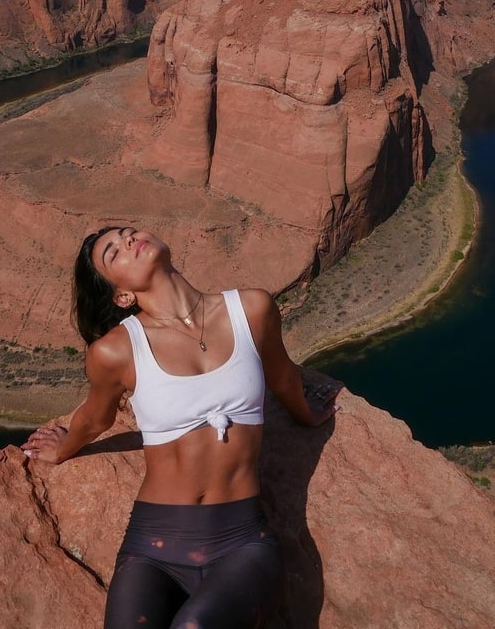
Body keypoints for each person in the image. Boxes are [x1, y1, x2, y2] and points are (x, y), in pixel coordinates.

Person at [22, 225, 340, 629]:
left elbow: (283, 377)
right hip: (152, 546)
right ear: (122, 296)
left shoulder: (251, 309)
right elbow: (96, 417)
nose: (129, 240)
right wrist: (62, 447)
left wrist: (306, 414)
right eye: (113, 252)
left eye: (126, 232)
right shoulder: (116, 350)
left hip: (241, 541)